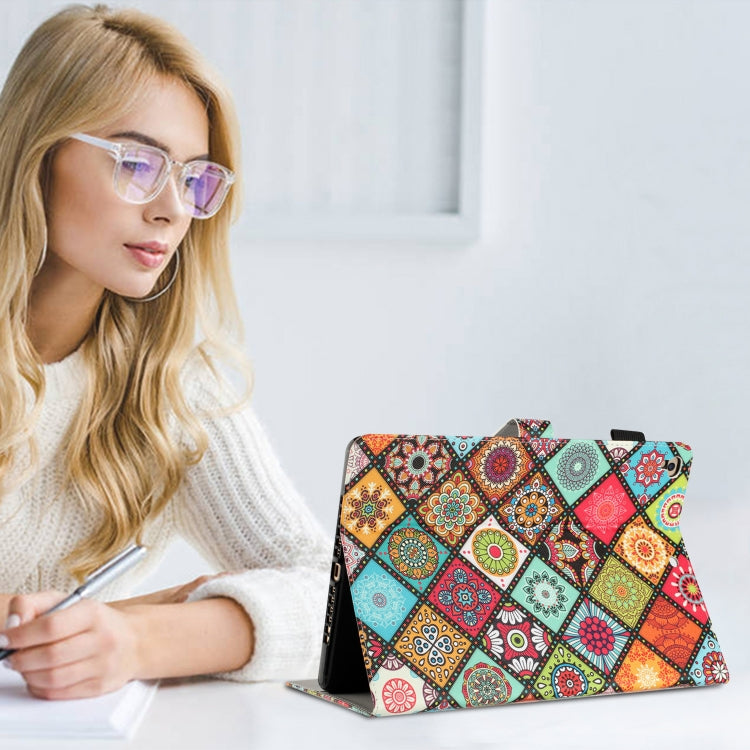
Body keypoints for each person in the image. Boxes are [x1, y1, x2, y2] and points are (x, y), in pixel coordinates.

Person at [0, 4, 330, 700]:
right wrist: (125, 615)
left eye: (194, 178)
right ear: (38, 153)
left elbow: (337, 601)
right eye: (136, 163)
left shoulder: (173, 386)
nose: (172, 209)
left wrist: (137, 640)